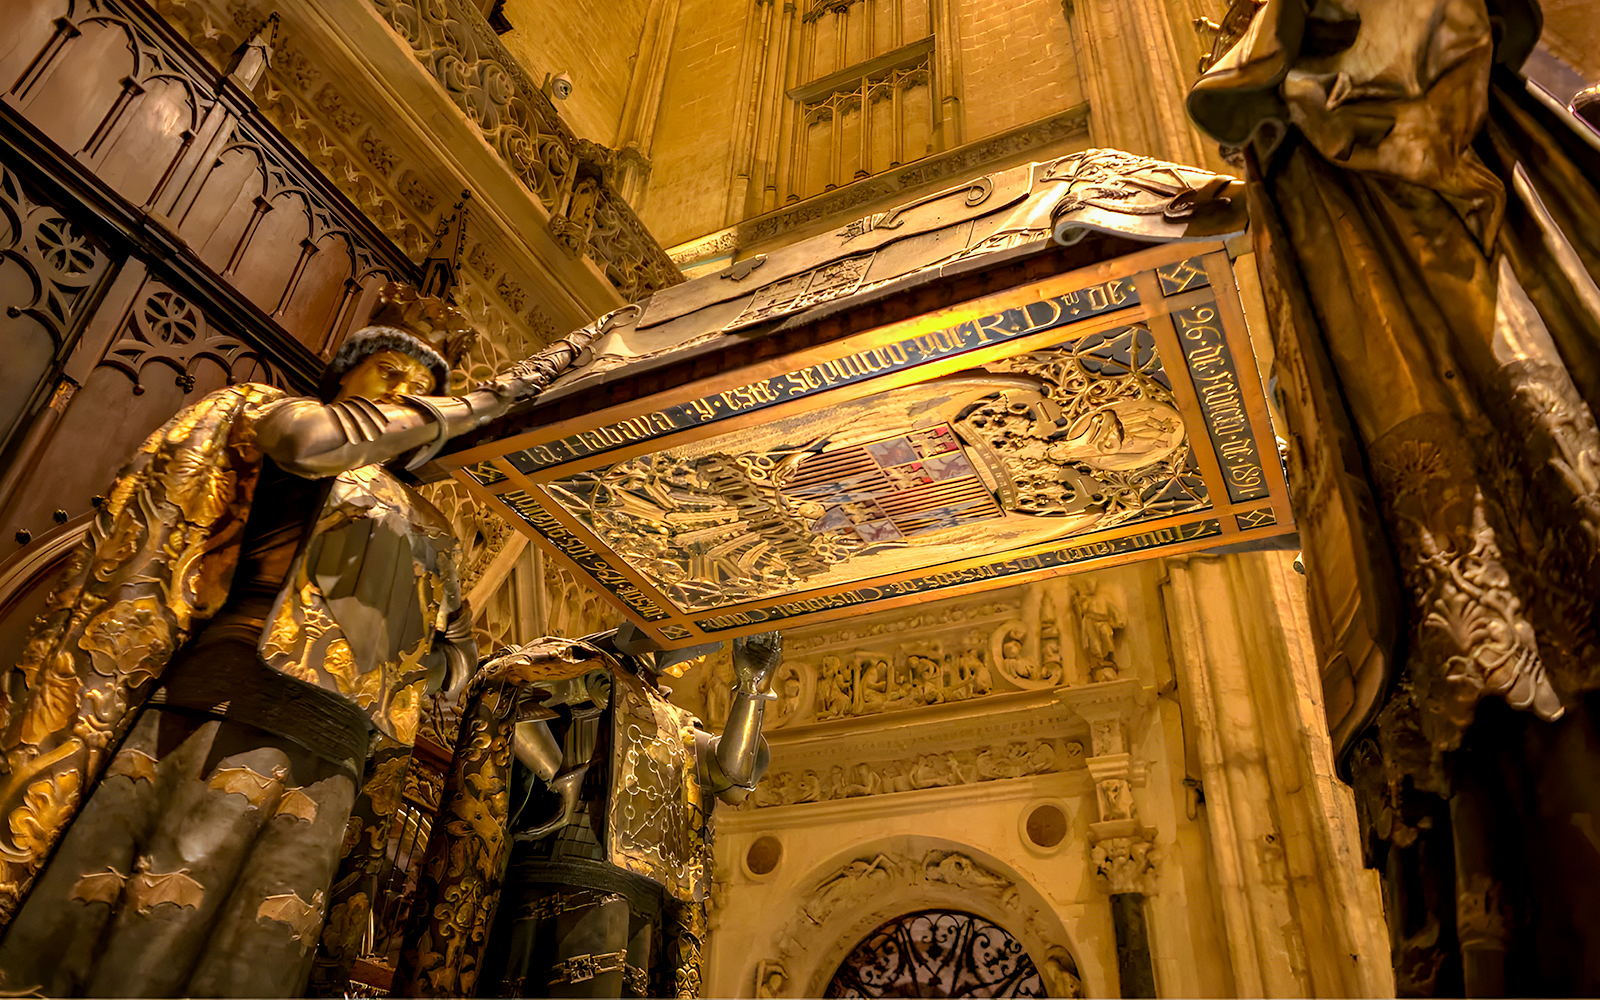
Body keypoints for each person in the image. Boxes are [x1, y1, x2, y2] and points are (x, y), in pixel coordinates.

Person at [0, 284, 584, 996]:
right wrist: (482, 401)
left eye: (422, 387)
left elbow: (457, 656)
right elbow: (311, 446)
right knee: (160, 902)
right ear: (346, 373)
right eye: (391, 375)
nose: (405, 396)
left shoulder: (431, 524)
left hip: (340, 737)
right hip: (235, 694)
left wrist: (409, 661)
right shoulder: (272, 412)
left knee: (266, 937)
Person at [394, 629, 783, 998]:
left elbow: (734, 773)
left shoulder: (676, 723)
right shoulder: (572, 660)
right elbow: (502, 684)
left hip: (640, 891)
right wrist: (576, 691)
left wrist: (753, 687)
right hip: (565, 864)